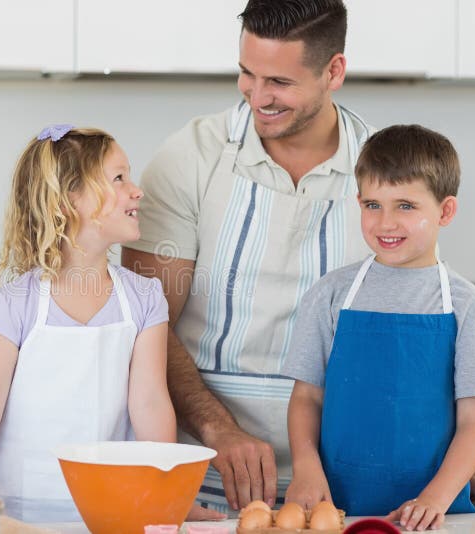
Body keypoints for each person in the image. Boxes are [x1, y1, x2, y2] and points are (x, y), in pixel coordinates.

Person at [122, 0, 372, 515]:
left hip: (341, 480)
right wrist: (219, 430)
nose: (258, 97)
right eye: (246, 73)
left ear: (334, 71)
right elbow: (145, 318)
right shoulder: (192, 157)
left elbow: (409, 322)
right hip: (203, 474)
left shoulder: (381, 169)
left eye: (279, 82)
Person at [0, 125, 176, 522]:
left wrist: (168, 497)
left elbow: (150, 403)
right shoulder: (13, 303)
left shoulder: (145, 299)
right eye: (118, 178)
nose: (136, 190)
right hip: (16, 515)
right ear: (69, 200)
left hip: (111, 512)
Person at [282, 125, 475, 530]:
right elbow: (307, 398)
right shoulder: (330, 294)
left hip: (435, 517)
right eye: (372, 205)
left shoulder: (469, 308)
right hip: (336, 512)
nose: (385, 223)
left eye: (405, 206)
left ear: (445, 211)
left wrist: (434, 499)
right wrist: (305, 467)